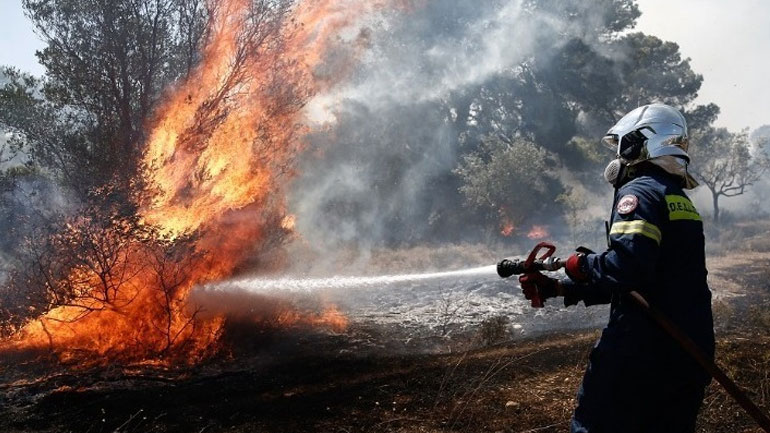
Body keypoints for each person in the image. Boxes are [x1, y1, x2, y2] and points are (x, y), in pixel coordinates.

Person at [520, 103, 715, 432]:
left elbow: (628, 269)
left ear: (637, 144)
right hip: (688, 351)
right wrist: (562, 288)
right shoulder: (675, 198)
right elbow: (646, 279)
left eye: (621, 147)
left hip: (641, 352)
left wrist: (582, 264)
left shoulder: (638, 192)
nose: (618, 158)